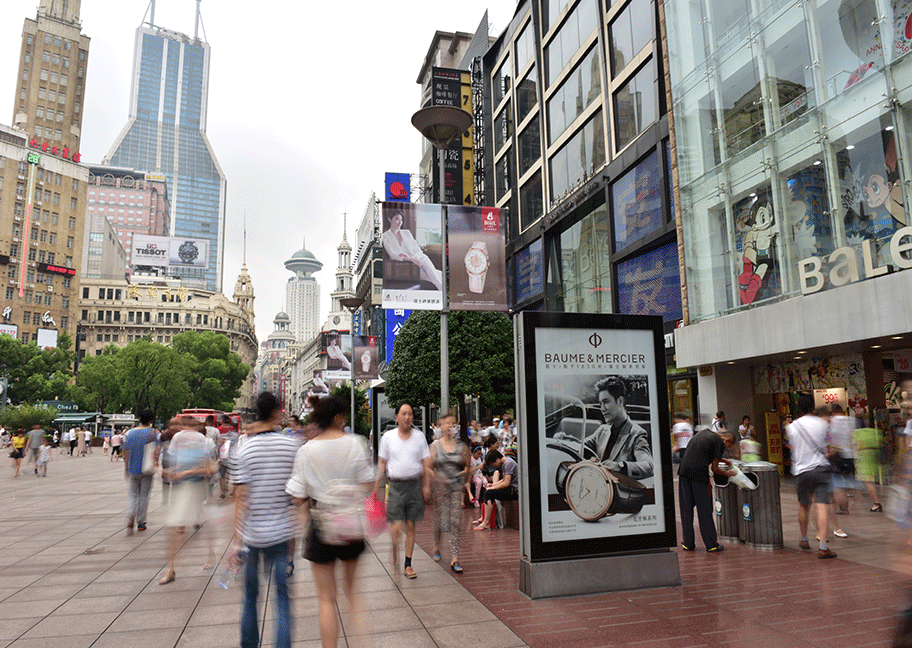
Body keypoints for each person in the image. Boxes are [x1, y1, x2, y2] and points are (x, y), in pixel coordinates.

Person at [286, 395, 374, 648]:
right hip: (350, 524)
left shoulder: (306, 450)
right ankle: (364, 642)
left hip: (320, 525)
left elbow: (296, 496)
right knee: (353, 594)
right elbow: (367, 484)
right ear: (337, 418)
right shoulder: (356, 443)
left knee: (326, 599)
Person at [231, 391, 299, 648]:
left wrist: (236, 542)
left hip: (251, 537)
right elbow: (295, 496)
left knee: (250, 598)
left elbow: (241, 499)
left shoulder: (245, 448)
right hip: (281, 535)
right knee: (282, 600)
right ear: (275, 413)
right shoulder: (290, 446)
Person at [373, 402, 431, 579]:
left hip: (414, 486)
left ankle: (408, 564)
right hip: (395, 487)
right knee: (396, 527)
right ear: (396, 417)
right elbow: (382, 462)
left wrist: (426, 485)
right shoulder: (388, 437)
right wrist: (377, 485)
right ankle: (394, 552)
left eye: (410, 414)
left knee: (411, 525)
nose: (407, 417)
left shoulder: (419, 437)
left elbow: (426, 463)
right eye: (404, 414)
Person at [159, 417, 217, 584]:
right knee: (175, 527)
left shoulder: (196, 439)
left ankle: (209, 556)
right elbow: (178, 462)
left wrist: (181, 473)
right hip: (183, 485)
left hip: (192, 485)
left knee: (185, 525)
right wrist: (172, 472)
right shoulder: (188, 439)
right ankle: (172, 568)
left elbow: (206, 469)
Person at [786, 394, 838, 559]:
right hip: (821, 469)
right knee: (822, 506)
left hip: (801, 471)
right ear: (813, 407)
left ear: (799, 408)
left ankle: (804, 539)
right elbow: (829, 445)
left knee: (803, 505)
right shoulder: (823, 424)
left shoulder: (791, 427)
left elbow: (793, 447)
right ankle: (823, 547)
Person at [574, 376, 653, 479]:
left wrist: (619, 466)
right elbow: (580, 446)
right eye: (600, 404)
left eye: (606, 402)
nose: (602, 408)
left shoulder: (636, 434)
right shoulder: (602, 430)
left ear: (620, 401)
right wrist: (567, 440)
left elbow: (649, 466)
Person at [678, 427, 736, 552]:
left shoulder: (703, 434)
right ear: (726, 440)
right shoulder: (719, 442)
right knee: (705, 510)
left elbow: (702, 453)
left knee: (686, 509)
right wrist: (729, 474)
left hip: (683, 473)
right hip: (699, 475)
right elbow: (715, 468)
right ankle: (711, 545)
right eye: (728, 447)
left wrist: (723, 460)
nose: (725, 449)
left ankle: (687, 543)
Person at [430, 414, 470, 573]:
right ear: (440, 426)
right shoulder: (435, 446)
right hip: (440, 490)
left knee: (455, 521)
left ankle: (455, 557)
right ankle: (437, 546)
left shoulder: (460, 447)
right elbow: (428, 466)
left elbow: (468, 466)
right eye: (446, 423)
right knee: (439, 521)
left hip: (455, 488)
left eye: (452, 423)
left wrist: (463, 475)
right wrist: (437, 478)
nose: (449, 426)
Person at [381, 210, 443, 290]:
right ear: (389, 219)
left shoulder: (407, 233)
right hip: (407, 265)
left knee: (436, 279)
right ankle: (446, 295)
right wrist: (411, 259)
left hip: (420, 258)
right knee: (437, 277)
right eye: (397, 219)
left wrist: (414, 257)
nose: (400, 222)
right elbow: (392, 254)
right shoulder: (385, 236)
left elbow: (418, 250)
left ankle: (444, 295)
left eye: (401, 220)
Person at [122, 410, 158, 535]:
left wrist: (126, 468)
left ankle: (131, 514)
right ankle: (141, 522)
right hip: (147, 469)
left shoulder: (129, 433)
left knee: (132, 494)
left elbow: (126, 452)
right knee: (144, 495)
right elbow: (157, 450)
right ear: (150, 420)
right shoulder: (153, 433)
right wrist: (156, 462)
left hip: (133, 469)